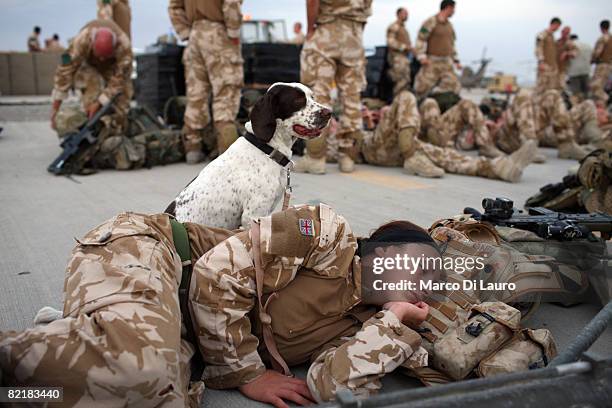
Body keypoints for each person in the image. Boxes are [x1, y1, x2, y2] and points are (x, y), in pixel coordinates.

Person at [360, 91, 534, 181]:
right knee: (406, 96)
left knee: (444, 155)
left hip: (404, 143)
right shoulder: (350, 116)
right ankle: (412, 154)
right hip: (373, 145)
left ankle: (498, 168)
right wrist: (368, 120)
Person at [294, 0, 372, 174]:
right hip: (353, 33)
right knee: (352, 96)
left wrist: (310, 29)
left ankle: (315, 157)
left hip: (326, 31)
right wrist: (356, 28)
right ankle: (347, 157)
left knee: (319, 94)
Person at [168, 0, 244, 164]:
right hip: (218, 33)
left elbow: (174, 6)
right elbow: (231, 3)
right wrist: (234, 31)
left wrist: (185, 32)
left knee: (196, 94)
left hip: (194, 36)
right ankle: (227, 152)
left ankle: (193, 149)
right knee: (226, 91)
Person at [50, 19, 133, 136]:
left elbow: (119, 80)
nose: (102, 60)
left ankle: (117, 132)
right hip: (88, 65)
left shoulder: (124, 48)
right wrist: (55, 108)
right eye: (99, 56)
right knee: (92, 95)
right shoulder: (81, 41)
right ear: (92, 44)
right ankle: (90, 130)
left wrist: (101, 102)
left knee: (121, 104)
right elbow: (65, 71)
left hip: (113, 67)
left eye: (105, 56)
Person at [419, 96, 504, 158]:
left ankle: (437, 144)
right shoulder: (480, 120)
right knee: (430, 102)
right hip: (438, 133)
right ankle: (433, 138)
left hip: (449, 140)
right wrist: (482, 123)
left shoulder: (500, 137)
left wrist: (492, 130)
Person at [413, 0, 461, 98]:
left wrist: (456, 60)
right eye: (453, 9)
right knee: (422, 88)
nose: (454, 12)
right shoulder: (430, 22)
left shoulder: (449, 26)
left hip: (446, 62)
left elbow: (451, 44)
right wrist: (421, 56)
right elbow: (421, 39)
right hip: (432, 61)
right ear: (448, 8)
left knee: (454, 86)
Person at [386, 7, 412, 96]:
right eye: (405, 13)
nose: (406, 16)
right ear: (398, 14)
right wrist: (404, 47)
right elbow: (390, 42)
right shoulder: (394, 27)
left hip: (404, 58)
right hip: (397, 58)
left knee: (406, 81)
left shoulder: (403, 28)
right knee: (400, 81)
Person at [535, 17, 562, 93]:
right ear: (554, 24)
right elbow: (539, 48)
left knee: (551, 90)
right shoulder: (543, 35)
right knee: (541, 89)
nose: (557, 29)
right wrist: (541, 62)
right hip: (545, 66)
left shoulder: (552, 37)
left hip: (552, 68)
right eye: (558, 26)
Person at [590, 20, 612, 106]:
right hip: (609, 65)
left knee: (595, 87)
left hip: (602, 65)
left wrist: (592, 60)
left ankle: (606, 98)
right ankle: (602, 106)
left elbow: (598, 52)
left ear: (601, 28)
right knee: (600, 86)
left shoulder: (603, 38)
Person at [567, 34, 593, 99]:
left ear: (570, 39)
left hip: (574, 72)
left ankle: (579, 107)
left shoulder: (570, 46)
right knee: (586, 92)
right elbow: (593, 57)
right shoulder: (588, 46)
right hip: (586, 71)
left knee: (576, 94)